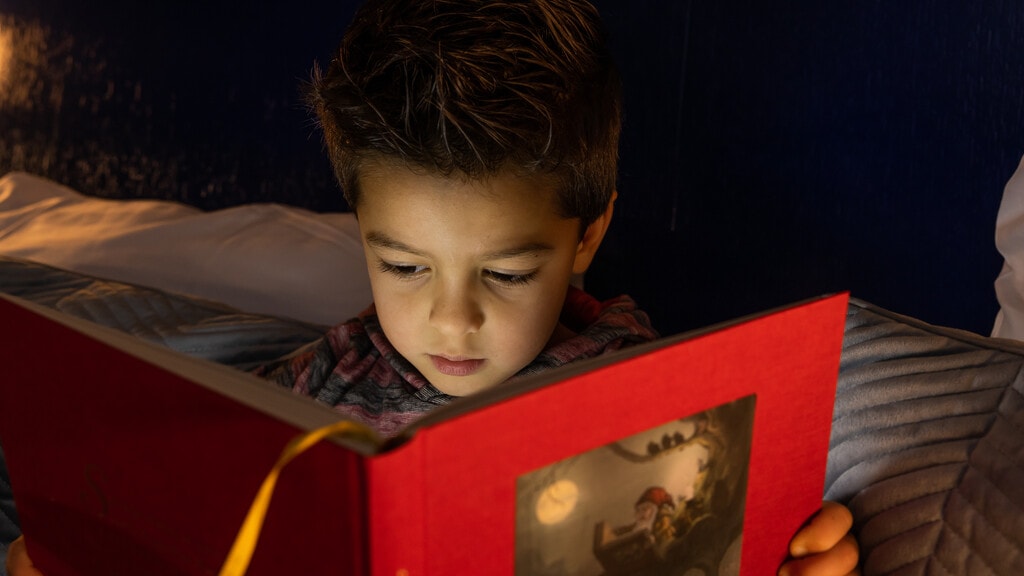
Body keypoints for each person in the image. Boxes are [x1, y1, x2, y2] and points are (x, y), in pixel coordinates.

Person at [6, 0, 859, 574]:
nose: (452, 319)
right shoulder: (316, 387)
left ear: (588, 234)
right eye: (405, 267)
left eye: (508, 272)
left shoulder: (664, 406)